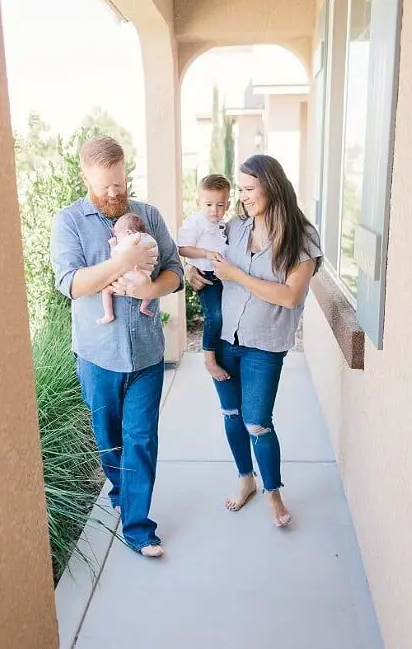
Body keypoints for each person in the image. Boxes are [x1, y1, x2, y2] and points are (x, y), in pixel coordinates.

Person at [50, 136, 183, 557]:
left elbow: (175, 272)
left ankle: (139, 528)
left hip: (146, 354)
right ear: (85, 177)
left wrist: (150, 284)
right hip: (97, 357)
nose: (114, 193)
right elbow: (69, 283)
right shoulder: (69, 220)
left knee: (142, 438)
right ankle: (124, 494)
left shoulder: (148, 215)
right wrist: (121, 264)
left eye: (120, 183)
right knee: (110, 441)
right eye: (105, 185)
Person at [187, 155, 322, 527]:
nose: (242, 197)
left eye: (248, 189)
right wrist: (191, 270)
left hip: (265, 346)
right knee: (231, 414)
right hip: (227, 339)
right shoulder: (235, 228)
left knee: (258, 422)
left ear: (272, 186)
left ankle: (273, 492)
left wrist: (238, 275)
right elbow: (204, 254)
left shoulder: (301, 237)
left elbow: (291, 296)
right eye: (240, 189)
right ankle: (246, 478)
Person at [178, 174, 231, 382]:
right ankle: (209, 359)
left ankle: (221, 354)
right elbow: (183, 249)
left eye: (220, 205)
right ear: (199, 202)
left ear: (227, 203)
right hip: (206, 276)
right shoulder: (195, 222)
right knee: (215, 316)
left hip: (223, 276)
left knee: (226, 316)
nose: (214, 210)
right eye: (208, 204)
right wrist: (206, 255)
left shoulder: (222, 223)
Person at [97, 213, 158, 324]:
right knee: (149, 291)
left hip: (127, 278)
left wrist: (113, 245)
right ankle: (143, 307)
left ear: (129, 232)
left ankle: (108, 315)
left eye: (118, 236)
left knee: (106, 291)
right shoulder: (151, 239)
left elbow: (116, 257)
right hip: (143, 278)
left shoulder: (129, 240)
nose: (117, 238)